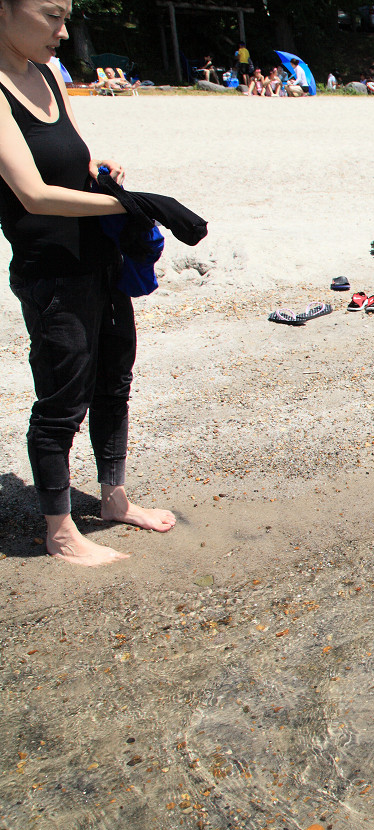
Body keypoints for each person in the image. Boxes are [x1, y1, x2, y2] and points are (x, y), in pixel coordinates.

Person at [0, 0, 176, 565]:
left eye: (67, 16)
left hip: (100, 259)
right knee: (62, 400)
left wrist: (105, 169)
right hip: (52, 272)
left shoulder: (49, 73)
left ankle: (114, 499)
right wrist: (130, 205)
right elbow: (33, 194)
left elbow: (73, 157)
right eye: (52, 15)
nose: (63, 30)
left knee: (114, 382)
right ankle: (59, 533)